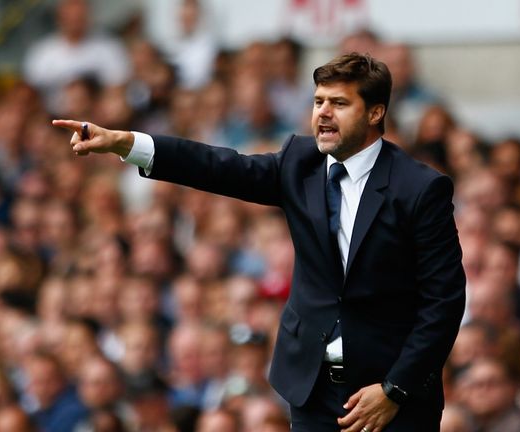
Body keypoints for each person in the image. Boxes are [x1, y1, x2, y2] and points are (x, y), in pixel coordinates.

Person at [53, 52, 466, 431]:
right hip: (312, 390)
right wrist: (128, 143)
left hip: (390, 398)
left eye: (339, 103)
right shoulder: (299, 163)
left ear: (376, 112)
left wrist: (395, 389)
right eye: (318, 101)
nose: (322, 112)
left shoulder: (420, 189)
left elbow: (444, 302)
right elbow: (217, 166)